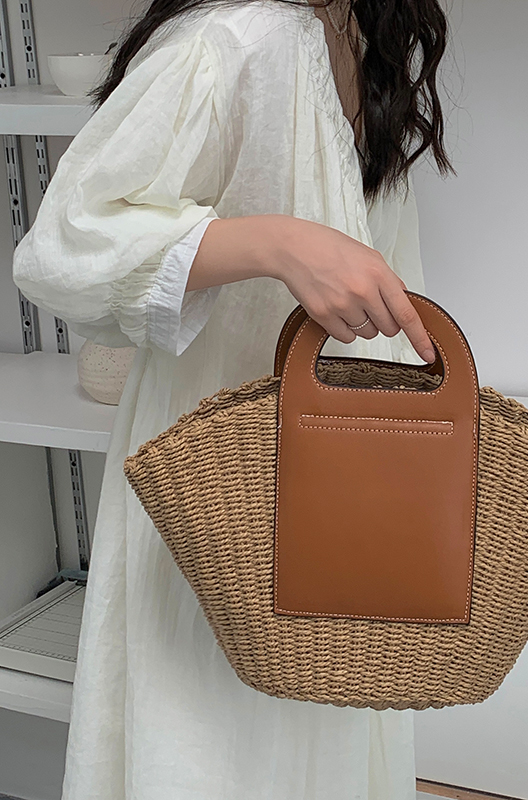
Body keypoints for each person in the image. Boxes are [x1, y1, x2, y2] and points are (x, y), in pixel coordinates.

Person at [12, 0, 453, 797]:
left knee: (317, 728)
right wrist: (276, 243)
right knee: (212, 747)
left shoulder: (362, 37)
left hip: (337, 483)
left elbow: (386, 275)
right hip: (215, 494)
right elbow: (63, 246)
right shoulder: (230, 40)